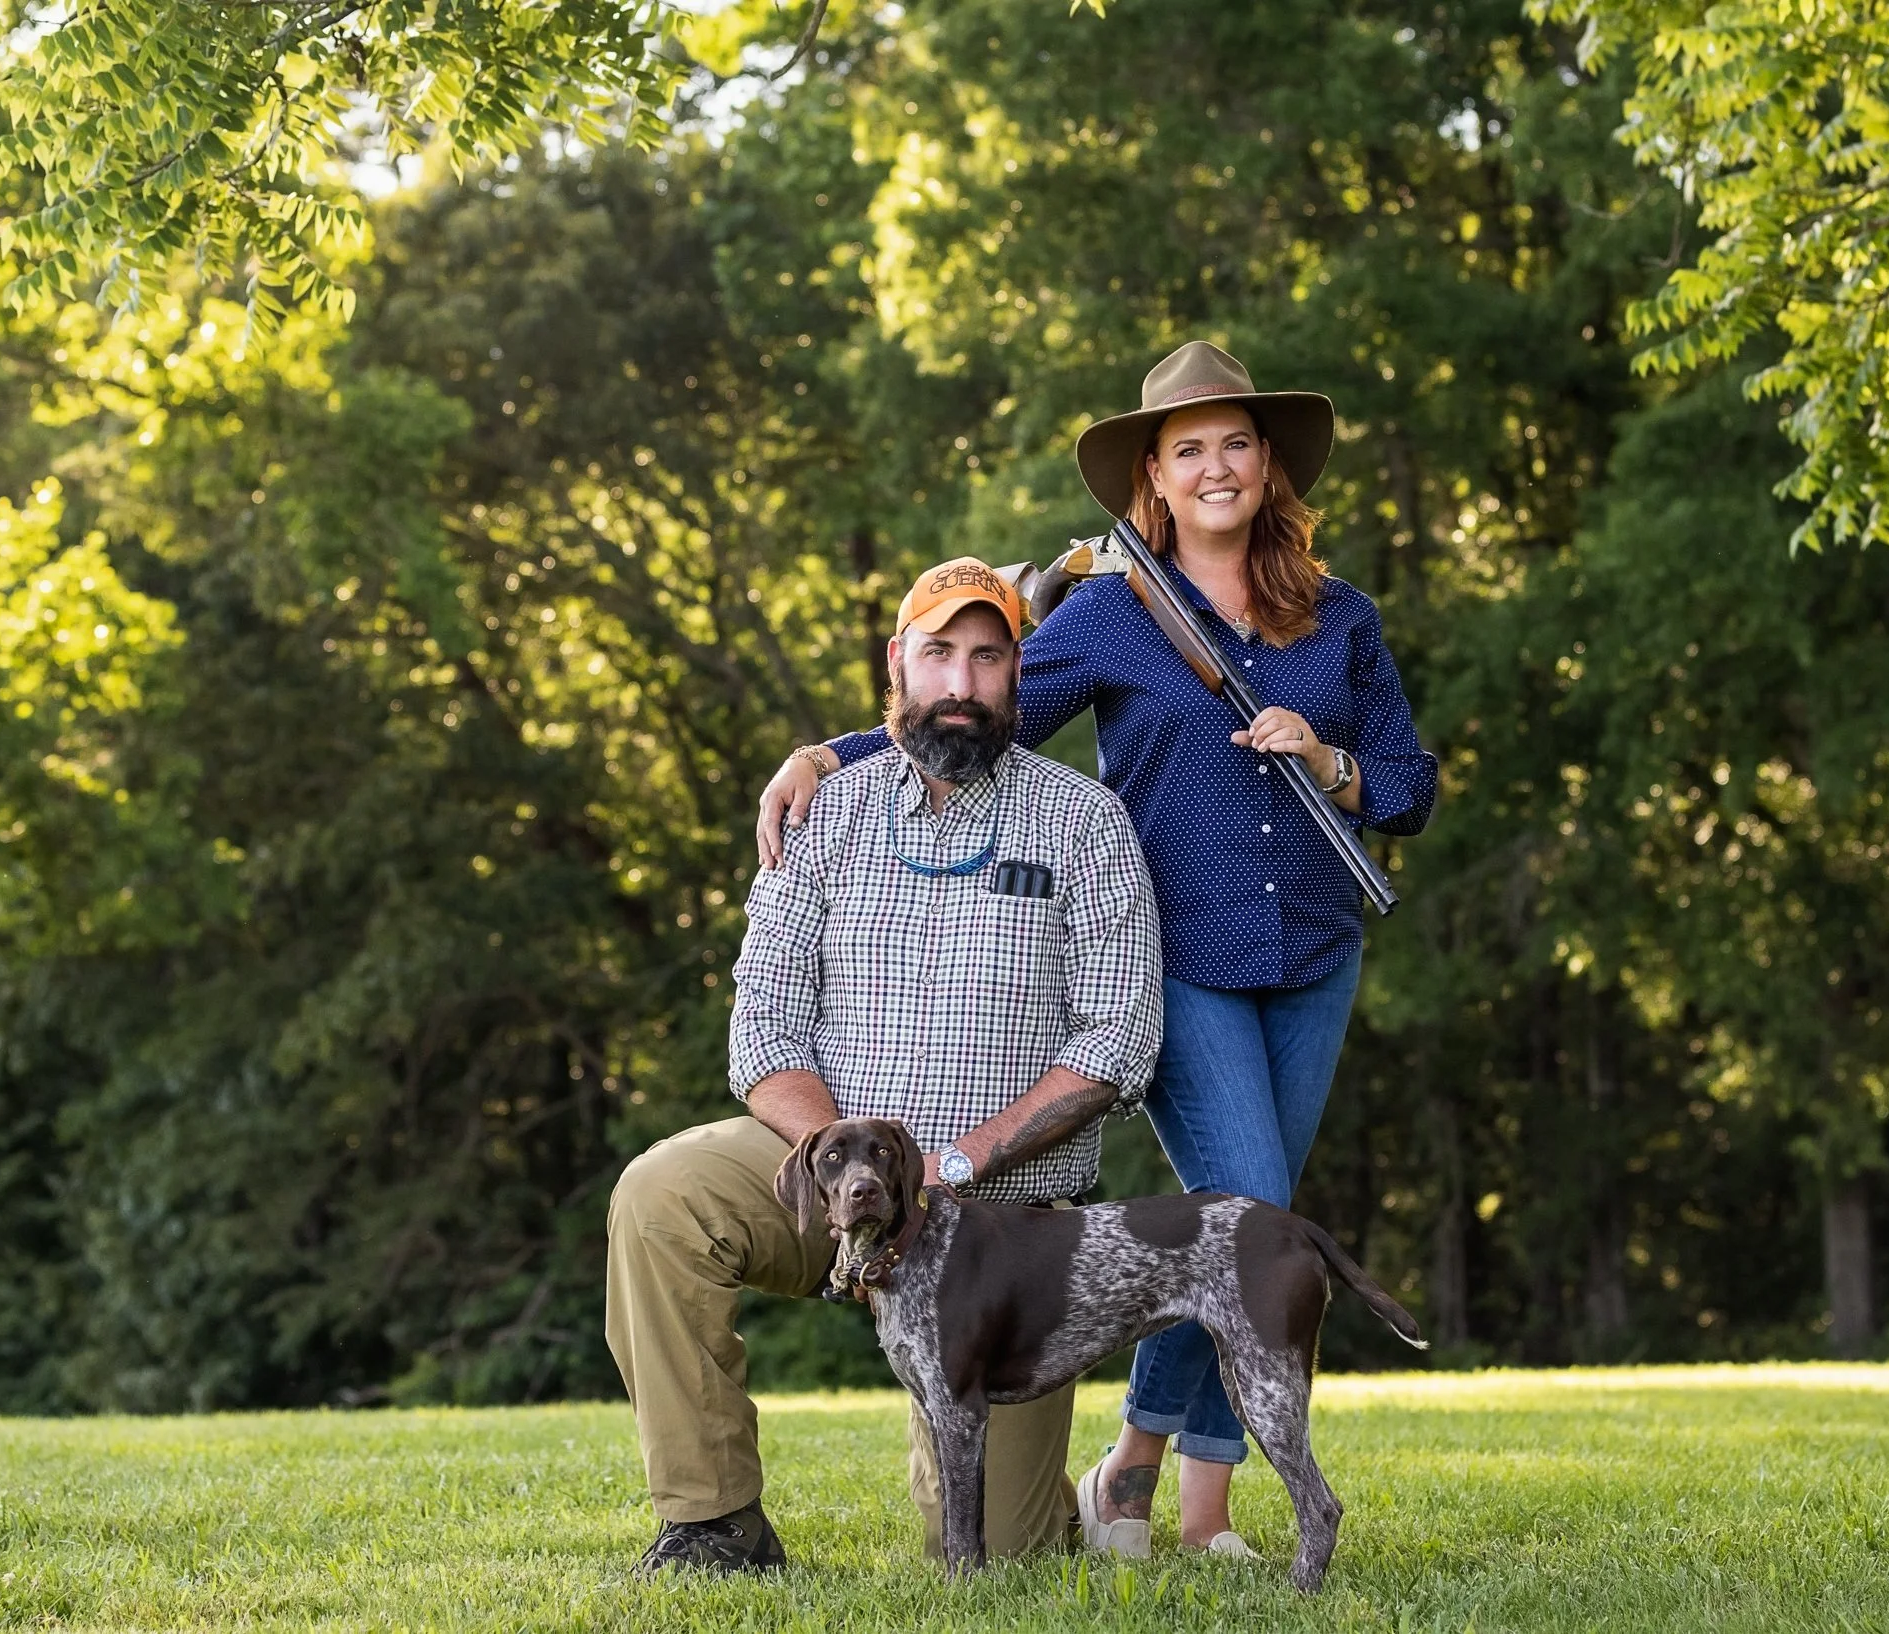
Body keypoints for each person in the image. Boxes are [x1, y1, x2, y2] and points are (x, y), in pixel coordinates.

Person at [755, 341, 1437, 1557]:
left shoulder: (1339, 616)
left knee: (1248, 1230)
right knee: (1247, 1208)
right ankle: (1167, 1493)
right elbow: (973, 710)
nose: (1216, 466)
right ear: (1153, 479)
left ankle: (1142, 1476)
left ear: (1268, 463)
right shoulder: (1115, 613)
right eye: (1188, 449)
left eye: (1236, 442)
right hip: (1183, 957)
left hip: (1314, 953)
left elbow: (1409, 784)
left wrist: (1328, 758)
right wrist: (824, 755)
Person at [607, 557, 1163, 1575]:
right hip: (823, 1171)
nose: (961, 681)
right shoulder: (824, 815)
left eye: (986, 656)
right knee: (662, 1195)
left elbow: (1117, 1041)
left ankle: (1045, 1484)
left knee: (1004, 1558)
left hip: (996, 1221)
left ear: (1017, 674)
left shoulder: (1085, 822)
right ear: (897, 664)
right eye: (938, 653)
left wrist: (945, 1170)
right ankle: (714, 1523)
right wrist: (849, 1173)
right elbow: (762, 1028)